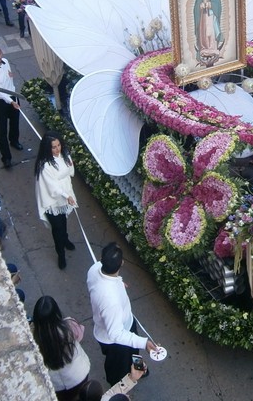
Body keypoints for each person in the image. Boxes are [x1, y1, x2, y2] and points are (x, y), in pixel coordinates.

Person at [86, 242, 159, 386]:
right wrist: (143, 342)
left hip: (127, 323)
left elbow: (102, 284)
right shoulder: (111, 301)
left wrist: (118, 284)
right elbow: (116, 334)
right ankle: (118, 386)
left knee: (134, 352)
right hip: (115, 340)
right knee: (117, 367)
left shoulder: (94, 269)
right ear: (122, 264)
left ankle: (139, 368)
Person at [32, 296, 93, 400]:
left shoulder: (33, 337)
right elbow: (79, 336)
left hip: (56, 384)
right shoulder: (69, 326)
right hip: (78, 375)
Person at [35, 132, 78, 270]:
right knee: (57, 228)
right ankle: (61, 253)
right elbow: (52, 187)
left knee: (63, 220)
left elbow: (70, 172)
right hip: (52, 201)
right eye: (53, 147)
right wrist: (67, 195)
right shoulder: (44, 165)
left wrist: (70, 164)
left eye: (59, 145)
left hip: (64, 195)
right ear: (47, 148)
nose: (57, 149)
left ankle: (65, 240)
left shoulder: (64, 155)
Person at [193, 0, 224, 66]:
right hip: (203, 16)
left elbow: (218, 5)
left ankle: (212, 47)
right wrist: (200, 6)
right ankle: (205, 47)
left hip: (211, 16)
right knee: (204, 32)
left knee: (211, 32)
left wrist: (210, 4)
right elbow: (196, 9)